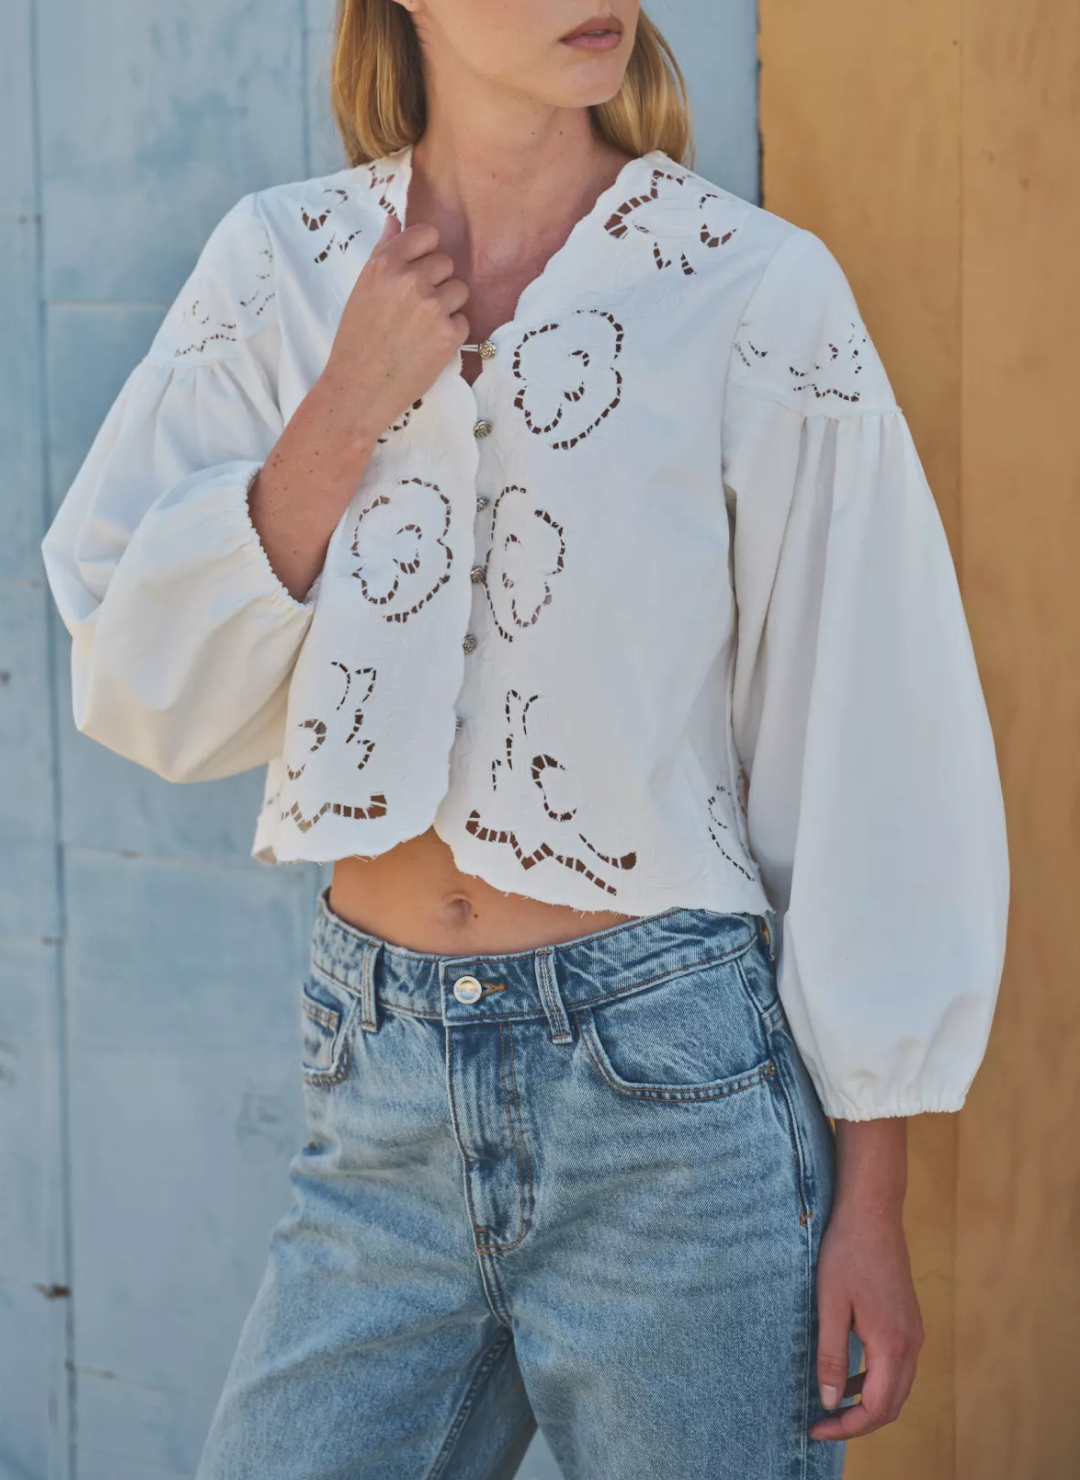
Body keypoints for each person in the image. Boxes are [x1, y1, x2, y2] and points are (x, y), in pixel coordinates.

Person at [40, 1, 1010, 1476]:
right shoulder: (282, 267)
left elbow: (870, 733)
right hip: (377, 1088)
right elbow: (140, 674)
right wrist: (348, 404)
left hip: (673, 1102)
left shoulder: (752, 290)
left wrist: (865, 1199)